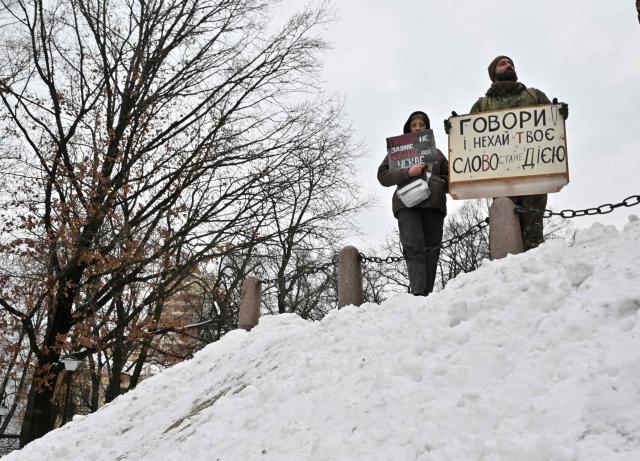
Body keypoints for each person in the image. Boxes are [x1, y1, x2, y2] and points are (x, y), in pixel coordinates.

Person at [469, 55, 568, 251]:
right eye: (502, 63)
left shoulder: (534, 96)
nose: (509, 65)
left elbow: (551, 128)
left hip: (534, 175)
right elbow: (469, 141)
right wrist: (454, 130)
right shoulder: (483, 105)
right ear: (493, 73)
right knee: (506, 237)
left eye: (511, 63)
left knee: (533, 238)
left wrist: (559, 113)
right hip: (501, 179)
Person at [377, 111, 449, 296]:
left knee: (432, 249)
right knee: (413, 247)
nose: (417, 128)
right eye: (414, 125)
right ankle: (417, 292)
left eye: (421, 125)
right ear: (408, 128)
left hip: (434, 204)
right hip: (407, 205)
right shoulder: (398, 153)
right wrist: (408, 172)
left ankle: (428, 293)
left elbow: (452, 176)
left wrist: (440, 182)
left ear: (427, 128)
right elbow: (383, 176)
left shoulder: (437, 154)